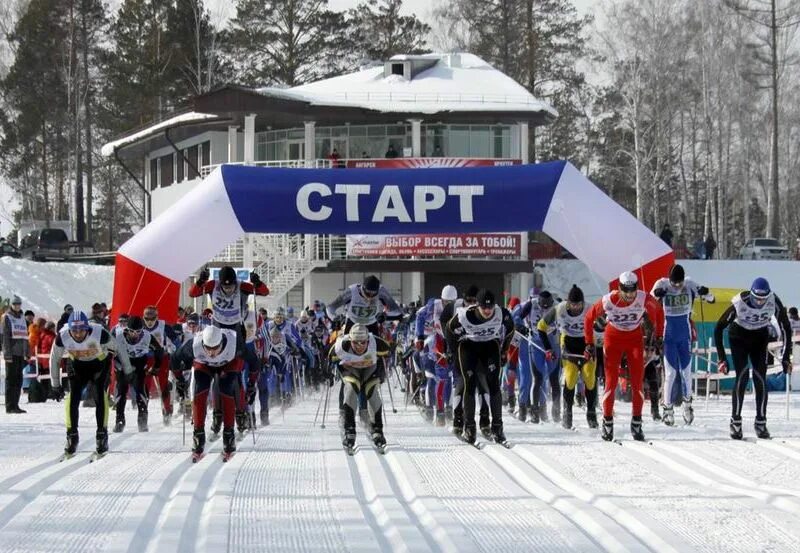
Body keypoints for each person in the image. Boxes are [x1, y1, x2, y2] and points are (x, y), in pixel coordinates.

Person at [585, 271, 665, 442]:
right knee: (611, 381)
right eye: (626, 291)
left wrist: (659, 336)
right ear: (619, 288)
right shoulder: (608, 300)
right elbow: (588, 318)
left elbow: (659, 311)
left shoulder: (643, 298)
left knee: (637, 382)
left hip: (634, 340)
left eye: (633, 290)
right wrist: (589, 343)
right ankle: (607, 421)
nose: (629, 295)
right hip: (613, 339)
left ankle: (636, 423)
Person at [190, 265, 268, 433]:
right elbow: (193, 293)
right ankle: (218, 413)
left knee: (234, 374)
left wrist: (257, 281)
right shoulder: (213, 285)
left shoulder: (242, 286)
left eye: (230, 286)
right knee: (215, 374)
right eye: (225, 286)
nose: (228, 289)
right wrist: (201, 281)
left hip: (236, 331)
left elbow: (264, 291)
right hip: (217, 330)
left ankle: (240, 413)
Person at [714, 278, 792, 440]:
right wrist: (722, 358)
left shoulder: (773, 301)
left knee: (760, 378)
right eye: (756, 298)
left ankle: (761, 421)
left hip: (759, 337)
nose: (759, 302)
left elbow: (786, 328)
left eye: (763, 299)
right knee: (742, 376)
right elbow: (718, 328)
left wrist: (785, 358)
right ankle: (735, 421)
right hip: (739, 337)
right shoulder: (739, 303)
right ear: (751, 295)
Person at [49, 311, 130, 458]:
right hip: (77, 365)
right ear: (69, 329)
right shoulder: (62, 336)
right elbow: (54, 359)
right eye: (75, 331)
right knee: (73, 398)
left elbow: (119, 349)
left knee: (99, 395)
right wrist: (55, 384)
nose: (78, 334)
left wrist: (127, 369)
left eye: (82, 330)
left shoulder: (100, 333)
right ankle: (71, 436)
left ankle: (101, 435)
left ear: (88, 328)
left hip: (98, 365)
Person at [445, 289, 514, 445]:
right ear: (478, 306)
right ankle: (470, 427)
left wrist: (504, 350)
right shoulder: (465, 314)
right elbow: (449, 329)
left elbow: (511, 328)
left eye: (490, 308)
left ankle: (497, 427)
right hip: (469, 346)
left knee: (493, 384)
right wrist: (453, 351)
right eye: (484, 308)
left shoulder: (501, 313)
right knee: (470, 384)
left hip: (490, 346)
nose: (488, 311)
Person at [651, 264, 714, 426]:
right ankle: (667, 409)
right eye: (674, 284)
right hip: (669, 336)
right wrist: (657, 294)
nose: (677, 287)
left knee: (686, 372)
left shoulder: (690, 283)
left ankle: (687, 405)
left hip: (684, 336)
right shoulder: (662, 284)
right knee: (671, 374)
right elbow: (649, 300)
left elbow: (711, 299)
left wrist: (705, 292)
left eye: (679, 284)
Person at [172, 326, 242, 460]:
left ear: (221, 343)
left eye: (215, 348)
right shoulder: (194, 345)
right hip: (203, 365)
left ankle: (229, 437)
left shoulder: (234, 343)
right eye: (208, 348)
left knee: (227, 390)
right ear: (203, 343)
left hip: (227, 364)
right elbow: (174, 359)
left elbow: (253, 360)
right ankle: (198, 436)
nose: (211, 353)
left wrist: (251, 382)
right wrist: (180, 380)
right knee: (200, 391)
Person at [538, 285, 597, 430]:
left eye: (579, 305)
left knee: (589, 378)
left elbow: (604, 326)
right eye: (573, 304)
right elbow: (541, 327)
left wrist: (594, 346)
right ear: (568, 302)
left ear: (583, 303)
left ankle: (591, 413)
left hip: (587, 345)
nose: (576, 308)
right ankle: (567, 414)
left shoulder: (591, 309)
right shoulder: (559, 309)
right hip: (569, 345)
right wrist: (548, 349)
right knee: (570, 379)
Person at [329, 323, 391, 451]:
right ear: (350, 340)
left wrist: (383, 372)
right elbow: (328, 356)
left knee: (373, 393)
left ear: (368, 340)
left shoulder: (377, 344)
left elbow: (389, 351)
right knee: (351, 391)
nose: (359, 346)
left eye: (363, 343)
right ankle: (349, 429)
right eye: (355, 343)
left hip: (370, 371)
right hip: (351, 372)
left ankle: (377, 429)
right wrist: (327, 372)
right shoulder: (341, 346)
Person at [415, 285, 458, 424]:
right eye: (446, 302)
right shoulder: (433, 306)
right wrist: (419, 337)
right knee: (432, 377)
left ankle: (448, 408)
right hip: (434, 342)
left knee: (448, 378)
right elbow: (419, 316)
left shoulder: (458, 308)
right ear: (442, 299)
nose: (448, 306)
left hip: (449, 343)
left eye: (451, 303)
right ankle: (430, 408)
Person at [514, 289, 559, 423]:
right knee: (537, 377)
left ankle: (553, 411)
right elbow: (517, 317)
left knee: (552, 377)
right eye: (542, 306)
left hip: (551, 344)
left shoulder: (557, 306)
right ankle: (532, 410)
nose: (544, 309)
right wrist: (519, 326)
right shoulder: (531, 304)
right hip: (535, 343)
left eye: (547, 306)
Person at [326, 275, 402, 334]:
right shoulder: (351, 292)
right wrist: (335, 318)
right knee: (345, 347)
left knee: (378, 350)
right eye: (368, 292)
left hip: (371, 323)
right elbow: (330, 308)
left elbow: (397, 310)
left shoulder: (381, 291)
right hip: (352, 322)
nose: (370, 296)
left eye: (374, 293)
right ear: (363, 288)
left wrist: (385, 315)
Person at [2, 295, 30, 413]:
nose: (17, 306)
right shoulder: (7, 317)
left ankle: (16, 404)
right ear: (11, 305)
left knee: (19, 379)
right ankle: (9, 406)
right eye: (15, 304)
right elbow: (5, 337)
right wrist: (7, 354)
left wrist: (27, 352)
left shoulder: (22, 318)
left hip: (20, 353)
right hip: (11, 353)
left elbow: (25, 336)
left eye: (19, 304)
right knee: (11, 379)